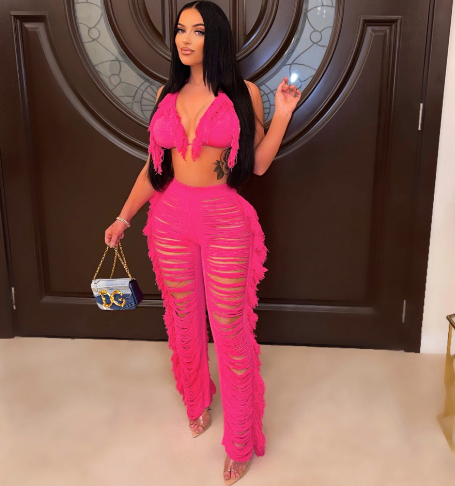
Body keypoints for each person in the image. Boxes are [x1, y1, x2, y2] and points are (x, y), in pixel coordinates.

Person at [104, 1, 300, 483]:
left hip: (225, 221)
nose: (185, 39)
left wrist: (283, 113)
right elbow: (154, 168)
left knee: (230, 329)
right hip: (170, 219)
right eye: (180, 30)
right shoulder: (166, 93)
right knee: (184, 320)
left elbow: (257, 164)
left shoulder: (243, 93)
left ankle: (240, 440)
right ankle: (197, 401)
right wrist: (124, 216)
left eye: (197, 31)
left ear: (216, 38)